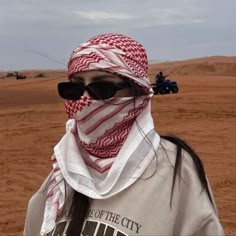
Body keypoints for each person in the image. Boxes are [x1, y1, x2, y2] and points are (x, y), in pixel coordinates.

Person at [24, 33, 224, 236]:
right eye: (74, 88)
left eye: (102, 87)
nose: (84, 100)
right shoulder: (62, 173)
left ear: (138, 93)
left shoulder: (176, 172)